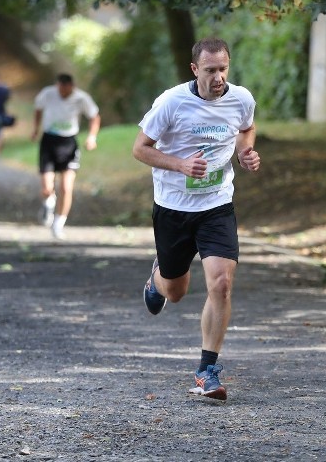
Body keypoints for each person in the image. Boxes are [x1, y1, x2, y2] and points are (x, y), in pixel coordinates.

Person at [133, 36, 261, 401]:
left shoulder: (241, 98)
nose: (219, 77)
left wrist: (246, 152)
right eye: (210, 70)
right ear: (195, 69)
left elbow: (245, 128)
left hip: (217, 206)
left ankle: (208, 370)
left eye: (223, 69)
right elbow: (139, 149)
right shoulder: (171, 103)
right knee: (175, 293)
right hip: (173, 207)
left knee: (221, 283)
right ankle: (158, 279)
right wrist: (180, 164)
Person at [32, 73, 101, 239]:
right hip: (49, 141)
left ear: (71, 86)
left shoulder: (81, 98)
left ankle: (58, 224)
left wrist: (92, 137)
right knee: (47, 188)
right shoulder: (48, 93)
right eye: (60, 89)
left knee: (66, 187)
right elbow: (38, 110)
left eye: (65, 89)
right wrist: (36, 128)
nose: (62, 92)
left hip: (68, 142)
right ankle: (48, 203)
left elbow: (94, 116)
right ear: (57, 86)